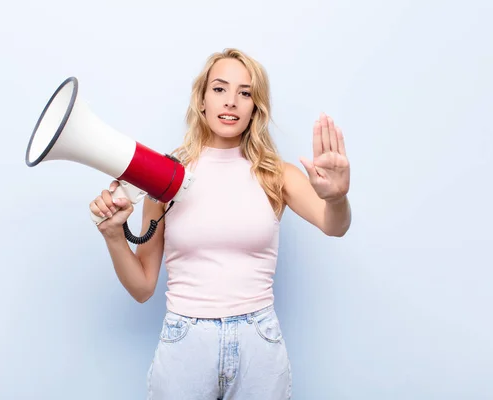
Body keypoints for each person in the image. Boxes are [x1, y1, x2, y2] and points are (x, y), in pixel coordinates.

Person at [89, 48, 352, 400]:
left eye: (245, 93)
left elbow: (334, 225)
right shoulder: (165, 176)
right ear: (201, 100)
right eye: (219, 89)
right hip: (186, 342)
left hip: (258, 342)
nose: (231, 102)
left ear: (255, 107)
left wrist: (335, 197)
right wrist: (113, 236)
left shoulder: (275, 174)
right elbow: (142, 288)